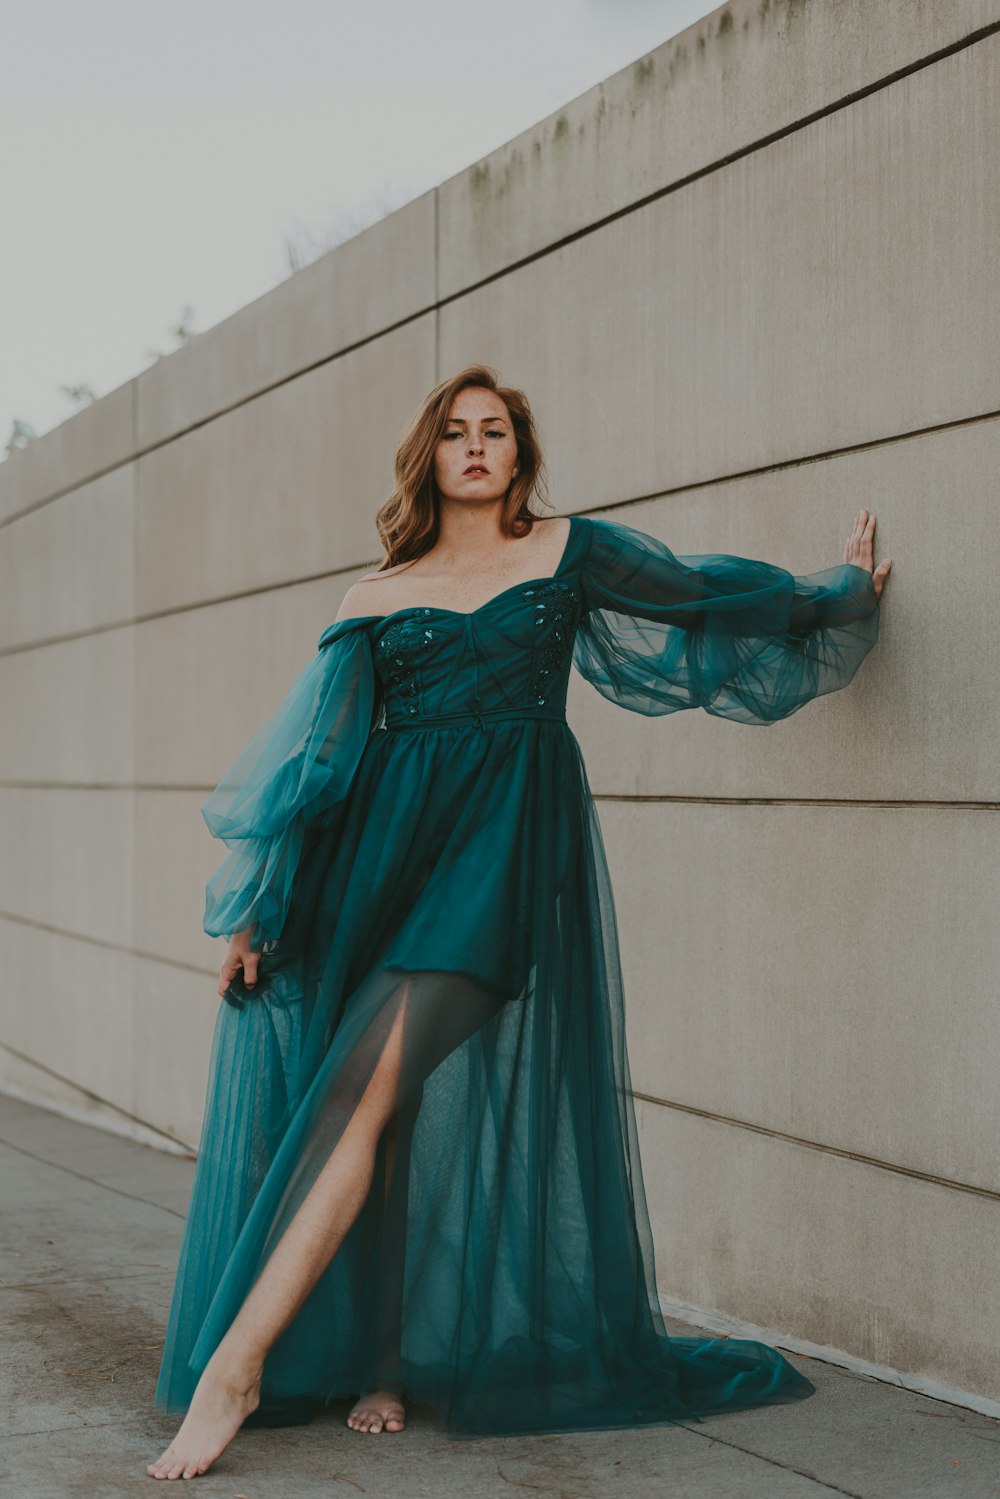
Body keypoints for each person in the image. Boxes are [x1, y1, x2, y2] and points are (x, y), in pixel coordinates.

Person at [148, 364, 891, 1480]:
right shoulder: (373, 594)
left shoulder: (568, 552)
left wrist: (837, 592)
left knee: (364, 1083)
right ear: (429, 457)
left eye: (495, 430)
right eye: (456, 432)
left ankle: (237, 1368)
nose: (477, 446)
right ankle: (385, 1360)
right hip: (377, 864)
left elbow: (697, 593)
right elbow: (315, 760)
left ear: (519, 451)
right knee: (377, 1109)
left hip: (501, 855)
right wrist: (253, 910)